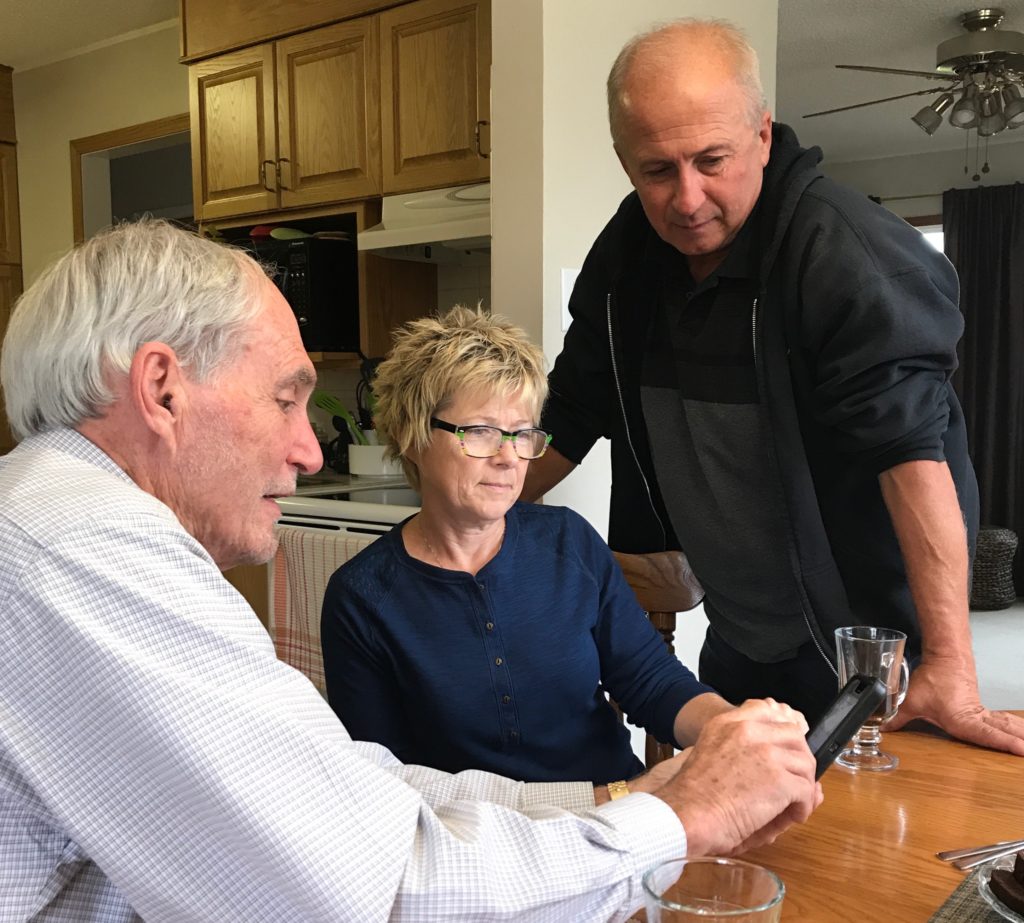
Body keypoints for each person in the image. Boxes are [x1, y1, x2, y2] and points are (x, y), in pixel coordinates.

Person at [0, 220, 821, 921]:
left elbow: (360, 787)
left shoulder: (51, 520)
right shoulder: (83, 553)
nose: (309, 449)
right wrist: (678, 816)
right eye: (285, 398)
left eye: (521, 433)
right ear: (161, 389)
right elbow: (377, 886)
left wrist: (631, 799)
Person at [523, 18, 1024, 755]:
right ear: (624, 160)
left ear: (762, 135)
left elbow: (912, 456)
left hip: (864, 649)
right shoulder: (627, 256)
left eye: (711, 160)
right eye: (656, 170)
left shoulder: (845, 254)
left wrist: (950, 663)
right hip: (736, 635)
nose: (687, 198)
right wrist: (466, 512)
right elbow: (570, 410)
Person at [321, 306, 733, 786]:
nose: (508, 458)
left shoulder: (568, 541)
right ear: (412, 437)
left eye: (521, 434)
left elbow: (650, 680)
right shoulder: (362, 598)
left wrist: (728, 728)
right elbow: (382, 781)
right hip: (481, 828)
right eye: (480, 431)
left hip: (619, 809)